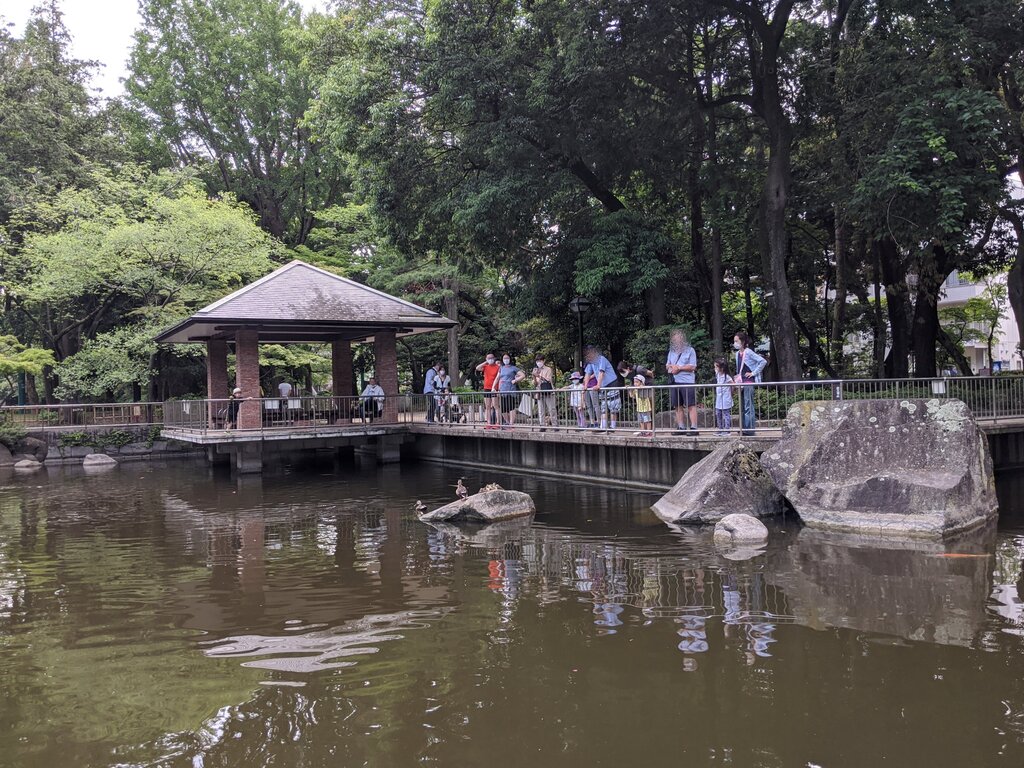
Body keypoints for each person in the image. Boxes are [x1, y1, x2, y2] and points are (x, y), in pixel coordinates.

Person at [734, 331, 768, 436]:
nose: (735, 343)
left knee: (749, 406)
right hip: (741, 382)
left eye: (737, 341)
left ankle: (750, 429)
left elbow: (763, 361)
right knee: (743, 406)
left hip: (748, 382)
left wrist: (753, 373)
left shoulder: (748, 352)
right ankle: (744, 427)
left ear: (743, 341)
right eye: (734, 341)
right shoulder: (737, 354)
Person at [666, 329, 699, 435]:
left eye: (679, 339)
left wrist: (679, 368)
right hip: (675, 381)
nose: (677, 341)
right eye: (674, 339)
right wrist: (671, 368)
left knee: (690, 405)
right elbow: (667, 365)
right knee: (677, 405)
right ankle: (681, 427)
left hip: (687, 382)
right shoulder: (671, 352)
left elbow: (693, 366)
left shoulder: (690, 350)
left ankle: (694, 427)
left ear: (683, 339)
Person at [584, 344, 620, 431]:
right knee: (603, 406)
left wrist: (598, 385)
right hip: (603, 386)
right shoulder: (591, 363)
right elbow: (587, 374)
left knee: (613, 405)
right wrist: (585, 386)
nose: (588, 356)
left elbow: (601, 372)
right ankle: (603, 426)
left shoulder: (601, 359)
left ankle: (613, 426)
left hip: (611, 383)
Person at [492, 354, 525, 428]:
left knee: (511, 407)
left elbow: (522, 375)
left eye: (507, 358)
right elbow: (497, 378)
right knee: (503, 408)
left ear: (510, 359)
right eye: (504, 358)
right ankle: (507, 422)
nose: (506, 359)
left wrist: (515, 380)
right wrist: (493, 387)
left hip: (511, 390)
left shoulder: (513, 368)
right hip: (502, 390)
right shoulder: (501, 368)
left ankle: (511, 423)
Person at [532, 353, 558, 431]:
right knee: (541, 410)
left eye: (540, 360)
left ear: (543, 361)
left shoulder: (548, 369)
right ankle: (542, 425)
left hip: (548, 391)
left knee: (551, 408)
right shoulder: (535, 370)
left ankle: (555, 425)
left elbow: (548, 379)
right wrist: (534, 376)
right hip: (539, 391)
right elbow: (535, 383)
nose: (539, 362)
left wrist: (538, 375)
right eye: (537, 361)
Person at [475, 353, 502, 428]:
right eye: (488, 358)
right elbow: (477, 368)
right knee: (487, 406)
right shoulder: (485, 366)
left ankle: (498, 423)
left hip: (494, 388)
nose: (490, 359)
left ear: (494, 358)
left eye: (491, 358)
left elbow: (499, 378)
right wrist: (485, 362)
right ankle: (488, 422)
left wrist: (498, 389)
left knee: (496, 406)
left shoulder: (497, 367)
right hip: (486, 388)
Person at [713, 358, 734, 436]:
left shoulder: (727, 377)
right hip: (719, 397)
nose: (715, 368)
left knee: (726, 413)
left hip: (725, 397)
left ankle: (727, 429)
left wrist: (731, 393)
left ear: (721, 368)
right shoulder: (718, 374)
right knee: (718, 413)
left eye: (716, 366)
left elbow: (733, 384)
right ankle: (720, 428)